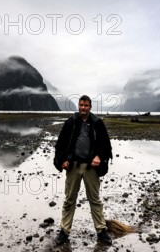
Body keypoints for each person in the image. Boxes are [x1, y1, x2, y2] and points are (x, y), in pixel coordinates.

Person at [53, 95, 113, 246]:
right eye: (81, 105)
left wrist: (99, 156)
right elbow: (60, 144)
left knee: (95, 200)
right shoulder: (71, 122)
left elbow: (106, 146)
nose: (83, 108)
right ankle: (64, 231)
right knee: (69, 200)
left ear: (90, 107)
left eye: (86, 105)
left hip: (91, 168)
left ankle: (101, 230)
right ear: (78, 106)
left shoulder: (97, 123)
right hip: (73, 166)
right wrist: (62, 160)